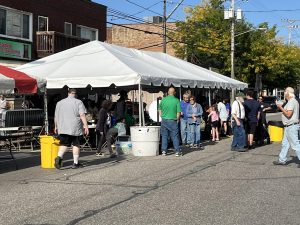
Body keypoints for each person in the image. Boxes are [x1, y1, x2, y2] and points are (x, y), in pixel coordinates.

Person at [54, 89, 89, 169]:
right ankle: (75, 163)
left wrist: (56, 126)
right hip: (75, 128)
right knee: (76, 144)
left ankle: (59, 158)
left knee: (64, 144)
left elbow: (56, 116)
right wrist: (86, 126)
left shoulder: (59, 103)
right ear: (75, 94)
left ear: (68, 93)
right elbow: (82, 115)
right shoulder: (78, 102)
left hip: (62, 127)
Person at [273, 87, 300, 167]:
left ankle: (282, 159)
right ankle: (282, 160)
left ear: (288, 93)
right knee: (285, 144)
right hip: (289, 126)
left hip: (291, 126)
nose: (284, 93)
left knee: (295, 144)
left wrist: (280, 107)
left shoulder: (292, 101)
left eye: (285, 91)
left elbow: (288, 114)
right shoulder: (291, 101)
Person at [159, 87, 182, 156]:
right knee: (175, 136)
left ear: (168, 92)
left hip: (164, 120)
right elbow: (178, 112)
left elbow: (159, 110)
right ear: (174, 93)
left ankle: (164, 151)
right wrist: (177, 119)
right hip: (173, 120)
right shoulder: (177, 100)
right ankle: (177, 151)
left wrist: (162, 116)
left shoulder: (163, 100)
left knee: (164, 136)